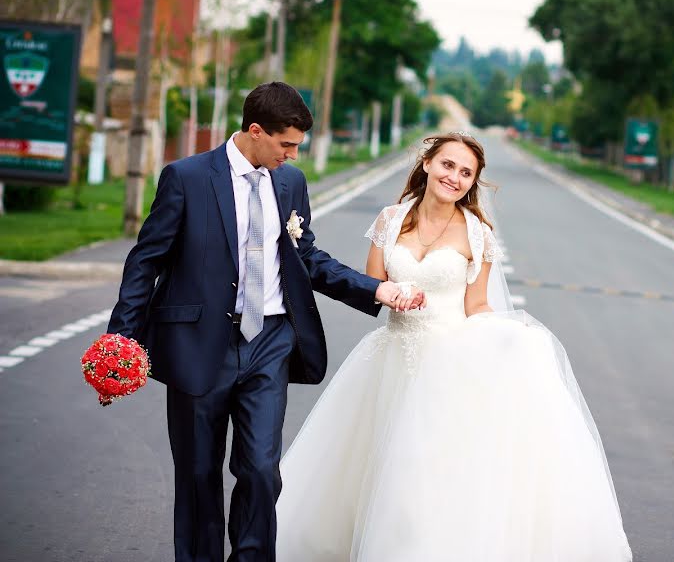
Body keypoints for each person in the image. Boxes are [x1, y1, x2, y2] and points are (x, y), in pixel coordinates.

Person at [275, 132, 633, 561]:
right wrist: (391, 292)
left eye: (466, 173)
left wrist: (508, 339)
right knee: (371, 469)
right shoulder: (390, 220)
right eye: (448, 165)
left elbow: (477, 304)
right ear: (427, 164)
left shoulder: (477, 233)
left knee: (422, 475)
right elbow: (375, 285)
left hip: (448, 363)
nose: (455, 178)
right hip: (390, 356)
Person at [107, 82, 421, 562]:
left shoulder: (289, 183)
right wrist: (121, 341)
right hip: (198, 342)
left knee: (260, 468)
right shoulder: (186, 177)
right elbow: (146, 260)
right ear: (255, 131)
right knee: (198, 473)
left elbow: (306, 257)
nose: (292, 156)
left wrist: (374, 288)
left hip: (269, 341)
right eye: (286, 145)